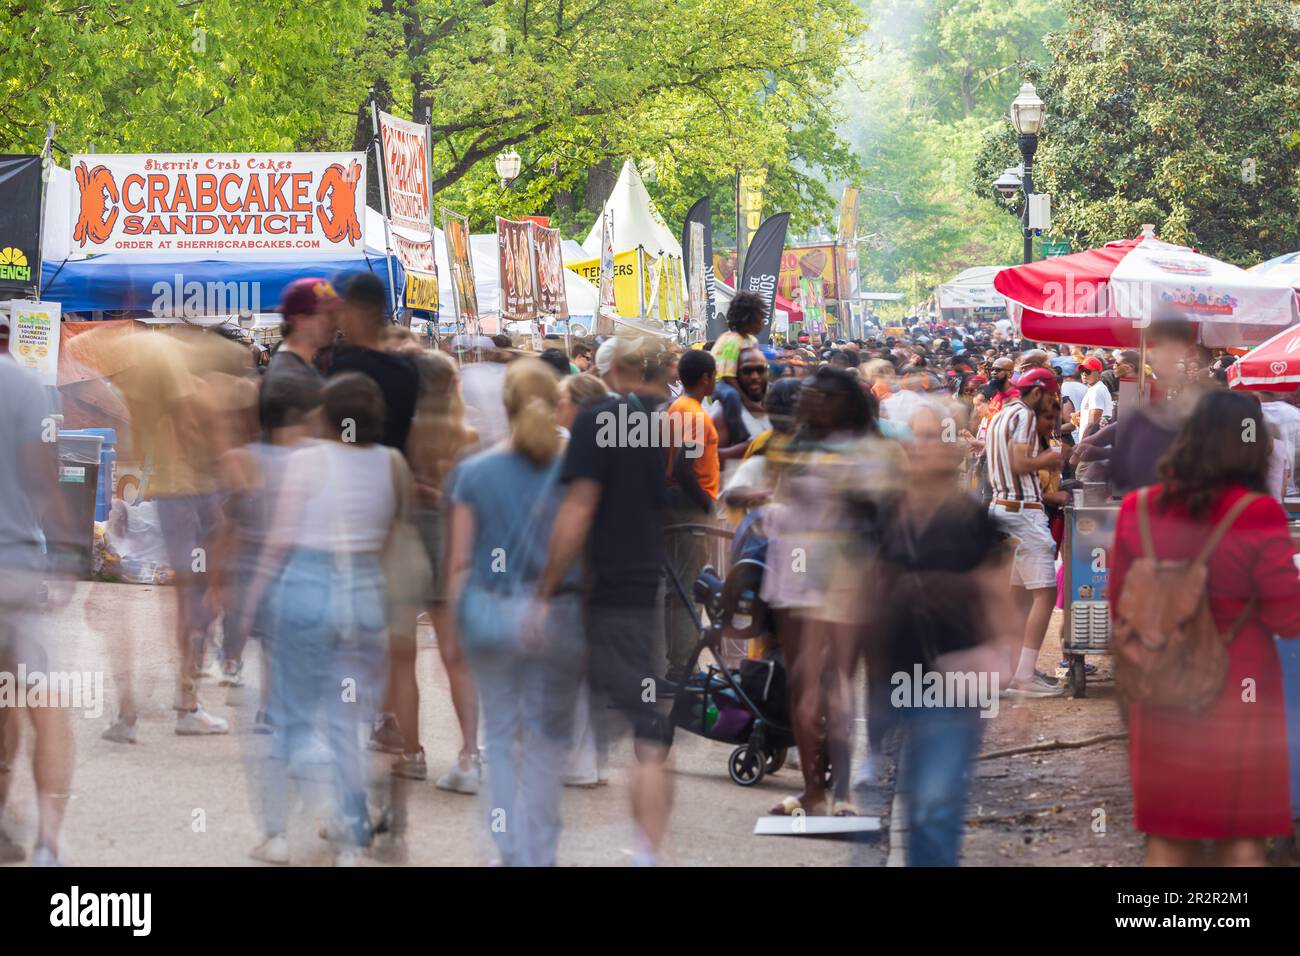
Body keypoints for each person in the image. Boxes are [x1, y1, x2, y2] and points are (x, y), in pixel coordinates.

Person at [1111, 390, 1300, 866]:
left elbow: (1121, 606)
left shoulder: (1138, 508)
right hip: (1242, 690)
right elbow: (1288, 617)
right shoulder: (1258, 513)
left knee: (1169, 832)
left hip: (1161, 687)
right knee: (1243, 830)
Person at [244, 373, 403, 865]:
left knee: (287, 718)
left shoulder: (306, 460)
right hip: (363, 594)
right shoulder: (390, 463)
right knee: (348, 724)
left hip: (306, 590)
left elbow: (280, 540)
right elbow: (389, 535)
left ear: (328, 415)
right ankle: (351, 838)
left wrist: (252, 600)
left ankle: (277, 835)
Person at [533, 334, 674, 866]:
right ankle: (649, 850)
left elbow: (579, 508)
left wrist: (545, 586)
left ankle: (527, 847)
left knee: (543, 719)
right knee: (647, 725)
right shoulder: (649, 423)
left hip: (598, 585)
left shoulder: (597, 419)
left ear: (608, 367)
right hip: (640, 580)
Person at [445, 359, 583, 865]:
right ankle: (540, 851)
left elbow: (459, 561)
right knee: (547, 744)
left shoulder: (473, 473)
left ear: (504, 406)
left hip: (489, 611)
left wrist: (457, 630)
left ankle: (507, 849)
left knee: (500, 739)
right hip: (557, 615)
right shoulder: (576, 469)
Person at [869, 404, 1017, 865]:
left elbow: (996, 598)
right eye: (918, 437)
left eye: (936, 436)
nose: (925, 447)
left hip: (954, 681)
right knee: (906, 802)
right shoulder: (883, 515)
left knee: (935, 803)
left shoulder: (973, 521)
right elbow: (862, 593)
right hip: (891, 678)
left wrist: (1009, 671)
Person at [0, 357, 75, 865]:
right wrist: (68, 554)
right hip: (15, 569)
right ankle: (48, 842)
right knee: (40, 697)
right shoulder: (24, 384)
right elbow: (45, 480)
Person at [404, 350, 481, 790]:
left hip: (405, 544)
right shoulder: (466, 435)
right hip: (452, 547)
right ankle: (470, 754)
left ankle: (410, 751)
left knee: (399, 657)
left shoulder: (402, 432)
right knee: (456, 658)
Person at [984, 367, 1066, 697]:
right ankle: (1024, 677)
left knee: (1017, 599)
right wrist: (1052, 456)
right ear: (1037, 392)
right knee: (1045, 594)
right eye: (1049, 398)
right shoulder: (1025, 417)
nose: (1051, 406)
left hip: (1003, 509)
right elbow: (1020, 463)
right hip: (1023, 514)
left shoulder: (1002, 413)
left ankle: (1012, 671)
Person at [662, 349, 720, 683]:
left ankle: (677, 662)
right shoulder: (694, 415)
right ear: (706, 378)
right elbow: (685, 466)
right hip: (689, 506)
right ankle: (682, 667)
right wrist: (705, 504)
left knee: (678, 585)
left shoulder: (678, 407)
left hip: (676, 503)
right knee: (687, 585)